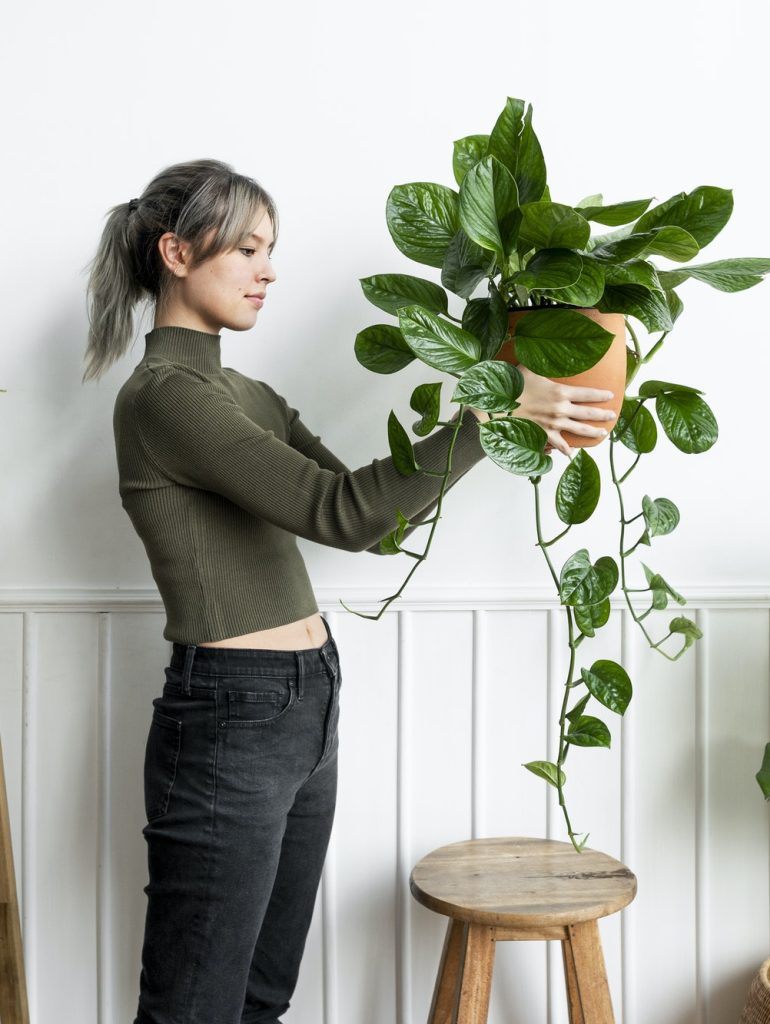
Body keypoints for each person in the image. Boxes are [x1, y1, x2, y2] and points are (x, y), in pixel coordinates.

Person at [82, 158, 616, 1024]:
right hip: (231, 717)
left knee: (262, 995)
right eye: (246, 248)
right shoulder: (165, 398)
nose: (268, 270)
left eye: (270, 249)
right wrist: (490, 410)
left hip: (307, 702)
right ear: (176, 253)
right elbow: (343, 515)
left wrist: (500, 416)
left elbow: (379, 516)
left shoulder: (247, 394)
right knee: (194, 1006)